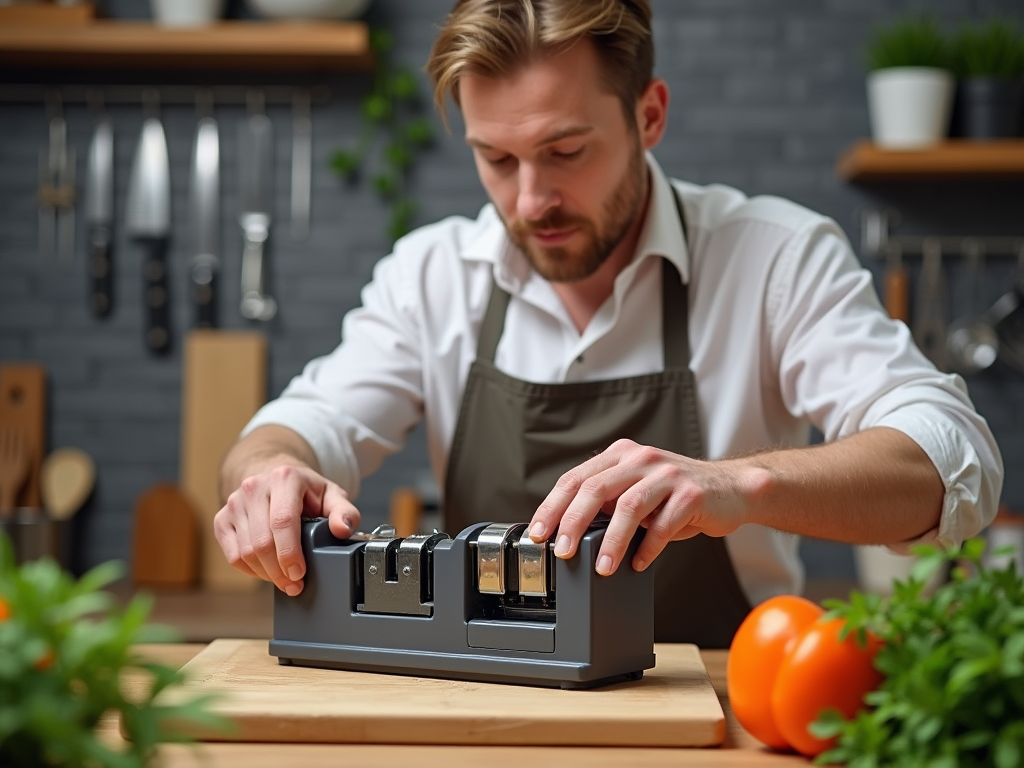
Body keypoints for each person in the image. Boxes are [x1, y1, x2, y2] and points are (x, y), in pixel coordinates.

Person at [215, 0, 1002, 647]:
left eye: (566, 150)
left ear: (649, 115)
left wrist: (735, 483)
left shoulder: (774, 258)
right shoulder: (431, 277)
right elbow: (302, 425)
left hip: (723, 705)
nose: (530, 201)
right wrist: (267, 479)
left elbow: (955, 457)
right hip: (490, 705)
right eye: (497, 158)